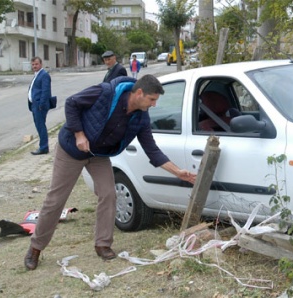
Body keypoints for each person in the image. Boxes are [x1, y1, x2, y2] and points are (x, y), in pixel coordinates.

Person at [24, 74, 197, 270]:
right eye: (152, 99)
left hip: (98, 155)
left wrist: (178, 172)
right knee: (56, 200)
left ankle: (102, 244)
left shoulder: (140, 117)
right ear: (139, 93)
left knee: (109, 194)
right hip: (72, 149)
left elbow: (152, 151)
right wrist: (79, 134)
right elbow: (71, 103)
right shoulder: (105, 92)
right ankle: (35, 248)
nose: (154, 105)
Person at [27, 57, 52, 155]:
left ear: (41, 64)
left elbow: (45, 91)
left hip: (39, 106)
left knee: (41, 126)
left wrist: (41, 104)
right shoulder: (37, 75)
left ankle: (44, 147)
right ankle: (43, 146)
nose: (34, 66)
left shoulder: (44, 75)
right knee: (39, 125)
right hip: (34, 105)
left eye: (36, 64)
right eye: (33, 64)